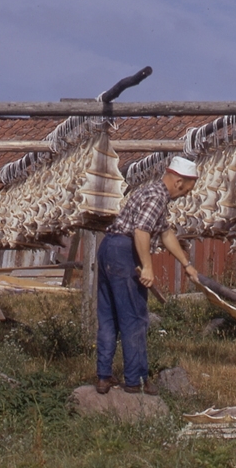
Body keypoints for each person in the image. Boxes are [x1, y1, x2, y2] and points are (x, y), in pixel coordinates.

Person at [95, 156, 199, 395]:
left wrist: (187, 264)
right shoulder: (157, 197)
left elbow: (165, 233)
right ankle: (135, 380)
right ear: (179, 181)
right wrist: (148, 267)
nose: (185, 194)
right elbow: (141, 230)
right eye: (187, 189)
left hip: (109, 249)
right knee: (135, 318)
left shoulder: (151, 192)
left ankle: (103, 377)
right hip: (124, 252)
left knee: (109, 316)